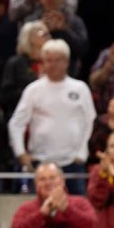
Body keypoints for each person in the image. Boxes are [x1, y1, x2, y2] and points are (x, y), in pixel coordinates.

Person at [8, 39, 95, 191]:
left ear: (66, 62)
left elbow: (89, 120)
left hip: (73, 163)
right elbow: (16, 123)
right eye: (49, 60)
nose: (53, 64)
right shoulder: (33, 90)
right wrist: (20, 153)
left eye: (57, 60)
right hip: (41, 162)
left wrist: (82, 151)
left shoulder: (80, 88)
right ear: (43, 62)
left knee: (76, 208)